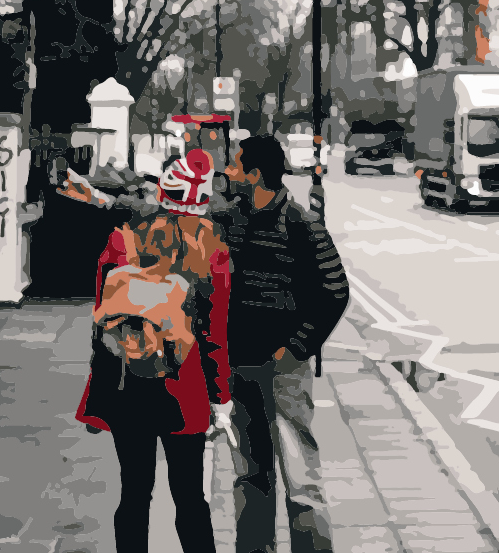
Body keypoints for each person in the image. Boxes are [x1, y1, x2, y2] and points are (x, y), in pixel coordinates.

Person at [75, 149, 232, 553]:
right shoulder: (212, 246)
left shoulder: (121, 238)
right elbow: (215, 331)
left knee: (134, 493)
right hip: (185, 384)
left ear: (162, 192)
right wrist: (222, 399)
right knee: (189, 497)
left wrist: (98, 391)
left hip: (128, 380)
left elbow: (102, 319)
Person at [218, 133, 349, 553]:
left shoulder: (300, 223)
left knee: (300, 478)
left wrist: (295, 347)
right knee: (250, 475)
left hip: (284, 369)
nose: (227, 172)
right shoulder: (231, 219)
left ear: (255, 175)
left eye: (235, 166)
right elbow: (175, 215)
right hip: (240, 364)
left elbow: (335, 288)